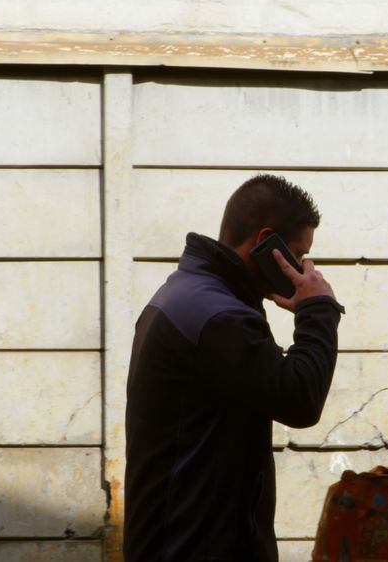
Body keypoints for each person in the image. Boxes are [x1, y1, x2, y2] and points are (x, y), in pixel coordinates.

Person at [124, 174, 344, 561]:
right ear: (265, 243)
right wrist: (318, 309)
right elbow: (300, 398)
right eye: (296, 253)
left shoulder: (192, 294)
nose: (302, 268)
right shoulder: (218, 317)